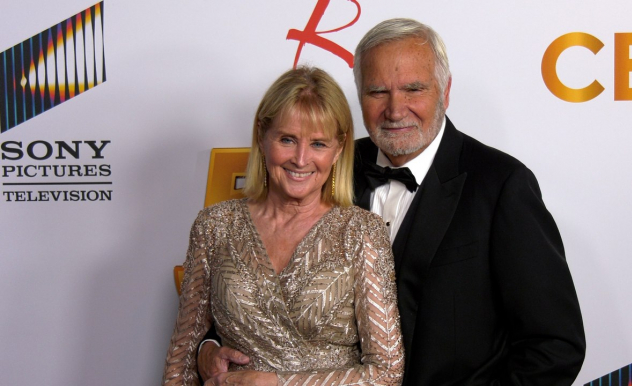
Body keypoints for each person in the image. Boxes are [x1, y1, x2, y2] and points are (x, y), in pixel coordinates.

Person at [200, 18, 586, 386]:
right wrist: (210, 346)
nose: (395, 109)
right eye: (377, 91)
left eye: (413, 89)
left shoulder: (500, 185)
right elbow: (260, 283)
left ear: (445, 91)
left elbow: (554, 344)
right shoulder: (322, 167)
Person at [162, 66, 404, 386]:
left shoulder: (362, 232)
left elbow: (387, 373)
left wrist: (276, 383)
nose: (301, 159)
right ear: (262, 136)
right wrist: (206, 352)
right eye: (287, 139)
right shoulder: (214, 226)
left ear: (339, 148)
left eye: (318, 144)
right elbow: (180, 359)